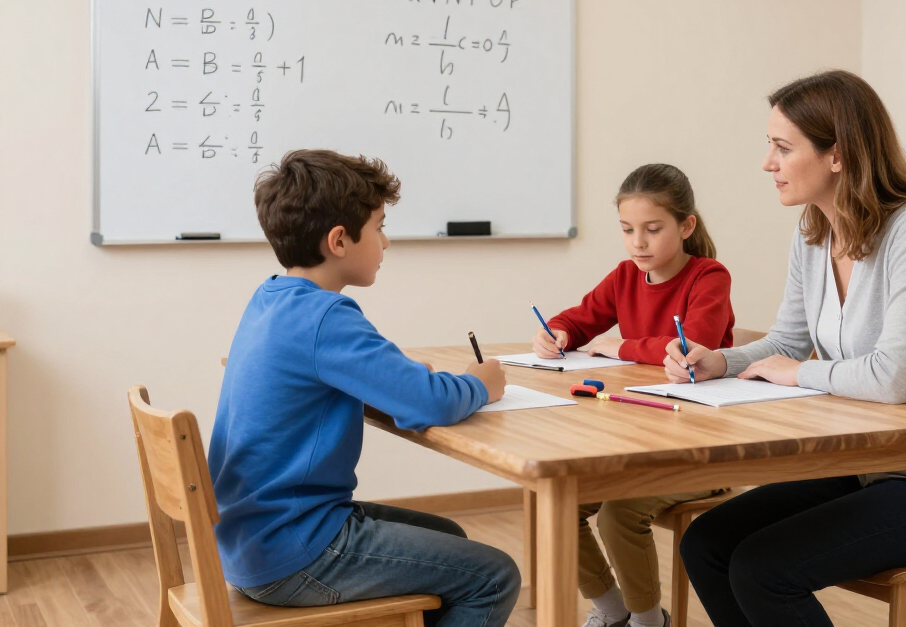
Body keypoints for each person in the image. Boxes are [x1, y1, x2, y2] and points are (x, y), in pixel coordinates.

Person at [664, 71, 906, 627]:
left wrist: (797, 373)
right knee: (707, 542)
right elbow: (787, 342)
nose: (767, 163)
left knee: (761, 568)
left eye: (782, 147)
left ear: (838, 156)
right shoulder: (814, 231)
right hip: (868, 466)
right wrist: (719, 361)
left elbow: (893, 378)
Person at [208, 149, 520, 627]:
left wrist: (397, 376)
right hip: (297, 548)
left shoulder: (273, 298)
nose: (386, 242)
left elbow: (354, 372)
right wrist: (481, 383)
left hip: (252, 539)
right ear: (339, 241)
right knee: (493, 575)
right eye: (379, 227)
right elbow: (428, 402)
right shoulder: (326, 315)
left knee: (451, 538)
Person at [534, 163, 735, 627]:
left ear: (687, 226)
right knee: (558, 507)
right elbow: (582, 318)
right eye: (628, 230)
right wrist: (558, 333)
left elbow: (691, 350)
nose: (638, 243)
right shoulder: (626, 275)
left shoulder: (709, 276)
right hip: (641, 439)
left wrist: (619, 345)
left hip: (704, 446)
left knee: (619, 515)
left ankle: (649, 622)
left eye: (652, 229)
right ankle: (611, 612)